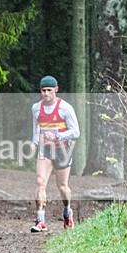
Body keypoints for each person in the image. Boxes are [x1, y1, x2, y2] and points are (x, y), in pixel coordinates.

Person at [31, 75, 80, 232]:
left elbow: (76, 132)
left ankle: (67, 211)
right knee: (40, 182)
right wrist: (34, 143)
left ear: (56, 90)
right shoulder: (36, 108)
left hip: (62, 150)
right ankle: (40, 220)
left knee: (62, 187)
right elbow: (36, 128)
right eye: (43, 90)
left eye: (49, 90)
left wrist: (58, 135)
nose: (46, 94)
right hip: (45, 150)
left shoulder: (65, 108)